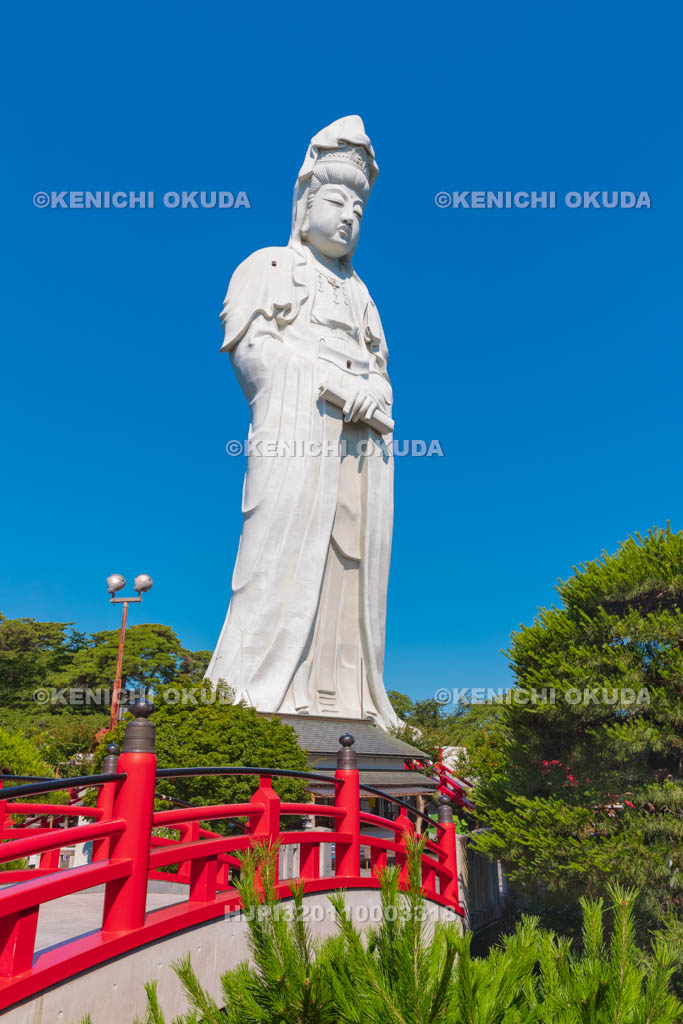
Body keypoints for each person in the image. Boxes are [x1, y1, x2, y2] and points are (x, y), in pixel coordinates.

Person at [205, 116, 398, 730]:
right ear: (305, 202)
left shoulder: (362, 296)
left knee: (353, 567)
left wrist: (372, 391)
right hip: (300, 437)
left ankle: (347, 702)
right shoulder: (267, 266)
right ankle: (255, 699)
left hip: (357, 450)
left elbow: (383, 372)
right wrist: (333, 382)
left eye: (359, 210)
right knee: (281, 558)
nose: (349, 217)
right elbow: (256, 354)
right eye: (337, 201)